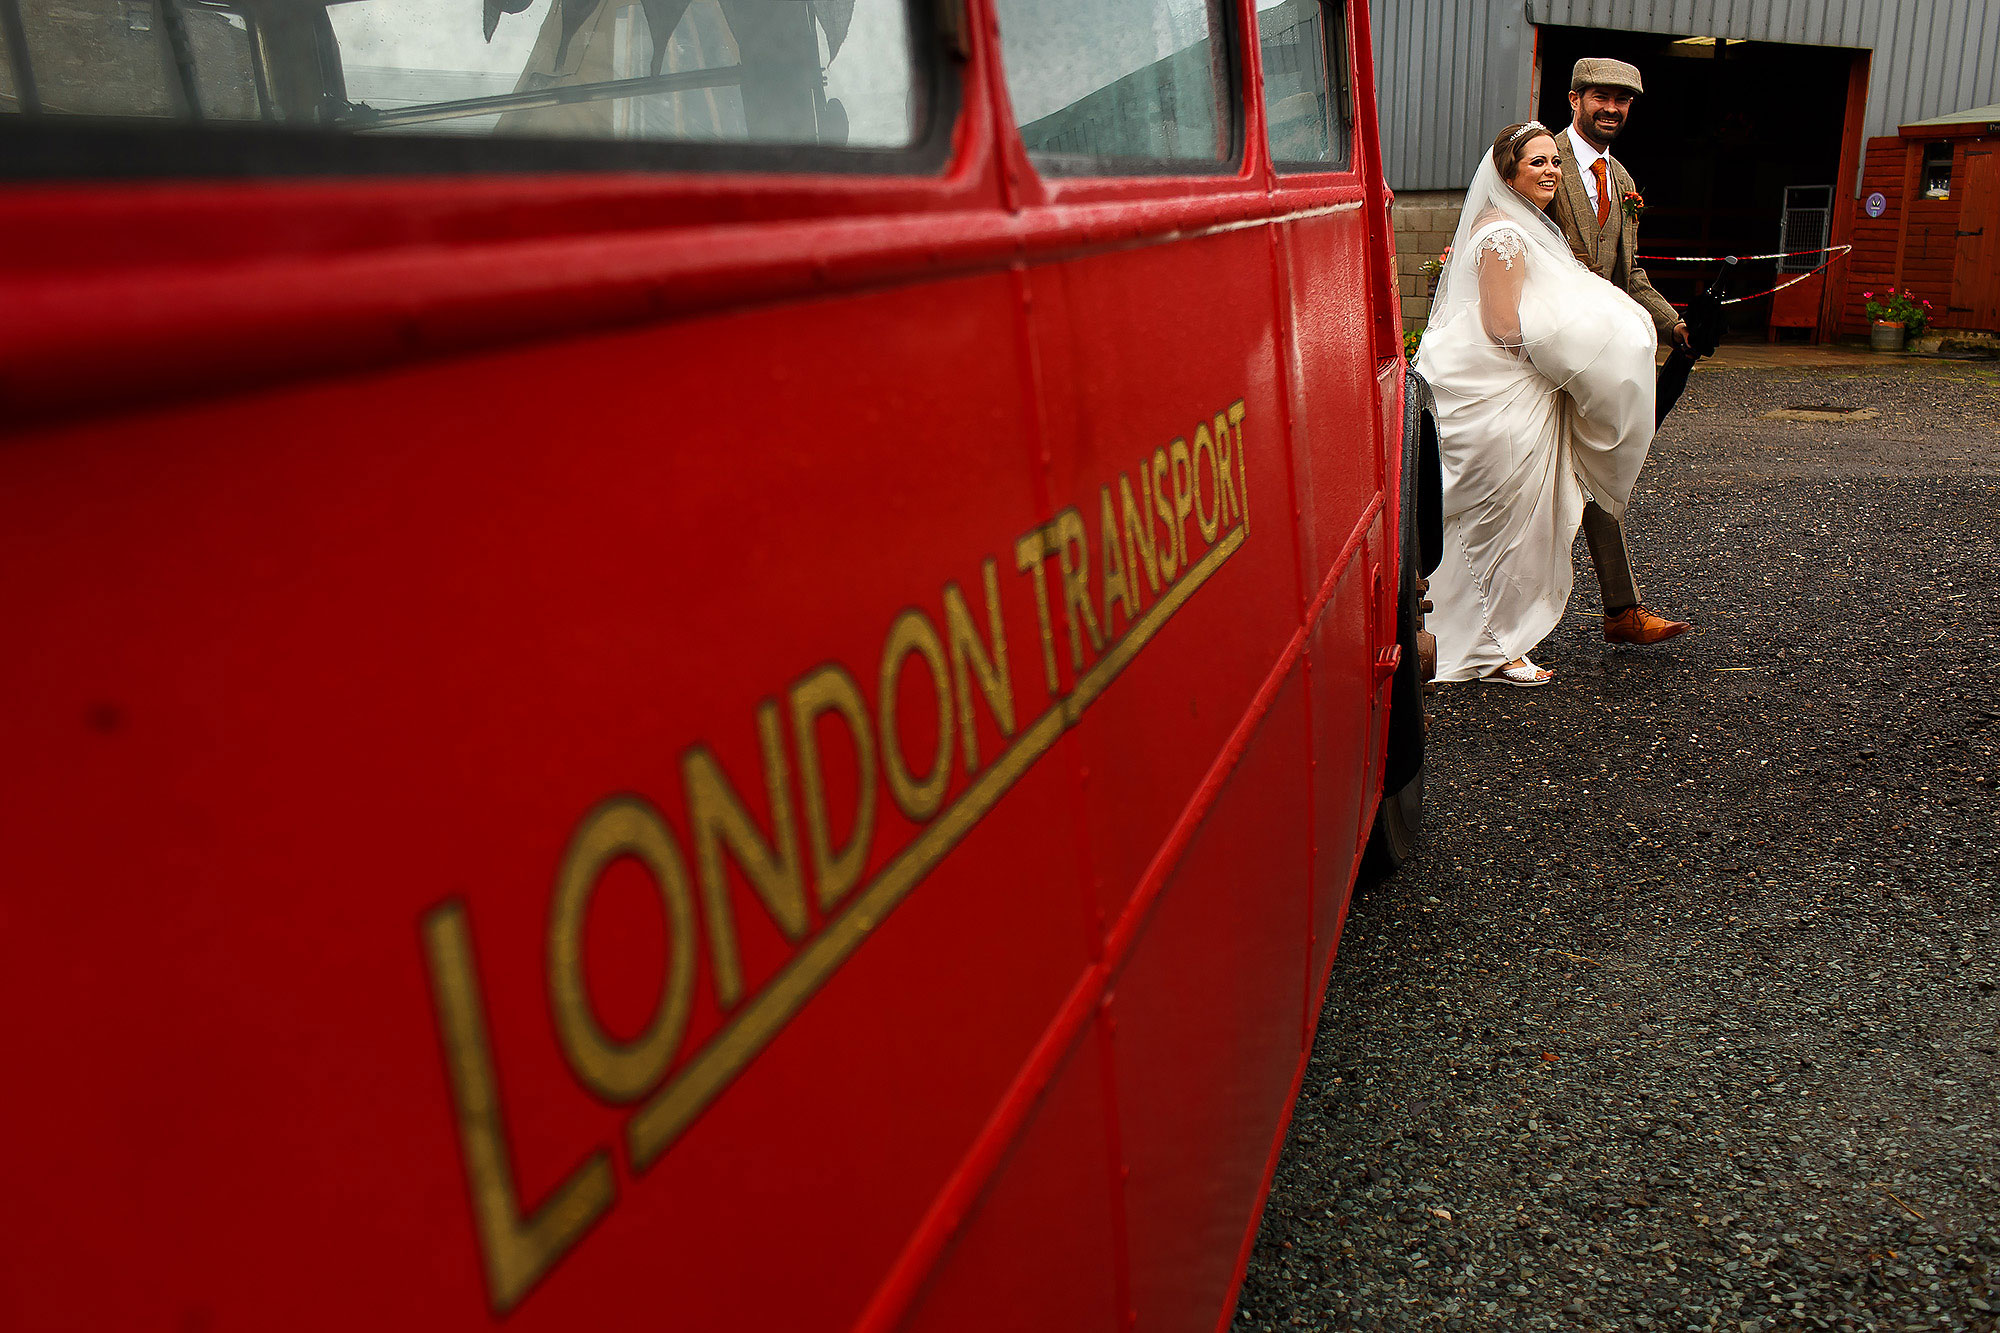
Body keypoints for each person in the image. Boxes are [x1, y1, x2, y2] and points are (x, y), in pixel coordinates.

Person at [1415, 123, 1657, 686]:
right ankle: (1491, 647)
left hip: (1516, 389)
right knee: (1504, 520)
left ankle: (1483, 637)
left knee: (1509, 518)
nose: (1551, 171)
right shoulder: (1501, 233)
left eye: (1554, 161)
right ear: (1508, 172)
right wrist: (1581, 351)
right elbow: (1502, 327)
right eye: (1537, 163)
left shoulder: (1524, 226)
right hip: (1502, 391)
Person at [1545, 56, 1692, 645]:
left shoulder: (1624, 180)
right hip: (1547, 355)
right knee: (1532, 485)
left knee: (1602, 475)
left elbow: (1630, 278)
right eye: (1600, 97)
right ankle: (1496, 621)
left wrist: (1676, 327)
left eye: (1623, 101)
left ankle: (1620, 612)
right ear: (1574, 99)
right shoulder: (1541, 162)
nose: (1612, 109)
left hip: (1601, 358)